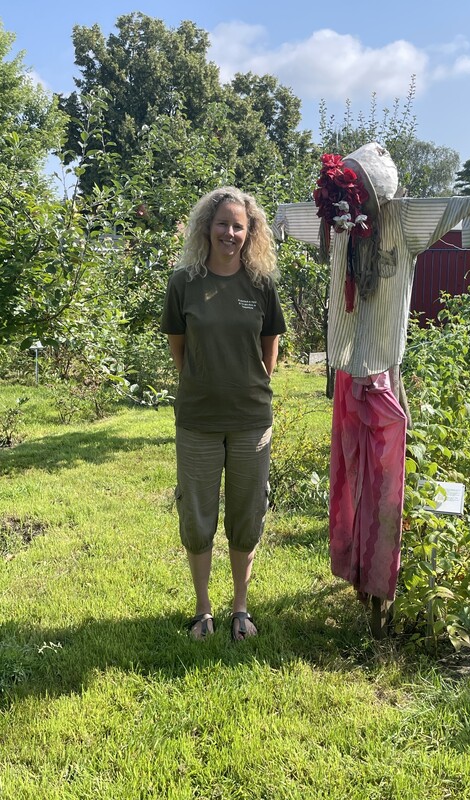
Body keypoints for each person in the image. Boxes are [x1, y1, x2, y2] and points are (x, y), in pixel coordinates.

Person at [160, 187, 286, 641]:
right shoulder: (184, 283)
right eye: (222, 224)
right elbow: (179, 345)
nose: (230, 233)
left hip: (252, 417)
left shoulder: (260, 284)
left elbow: (269, 345)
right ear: (206, 228)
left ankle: (240, 608)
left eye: (239, 226)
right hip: (198, 418)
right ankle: (202, 609)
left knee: (246, 514)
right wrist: (206, 380)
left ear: (250, 232)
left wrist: (248, 384)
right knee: (197, 516)